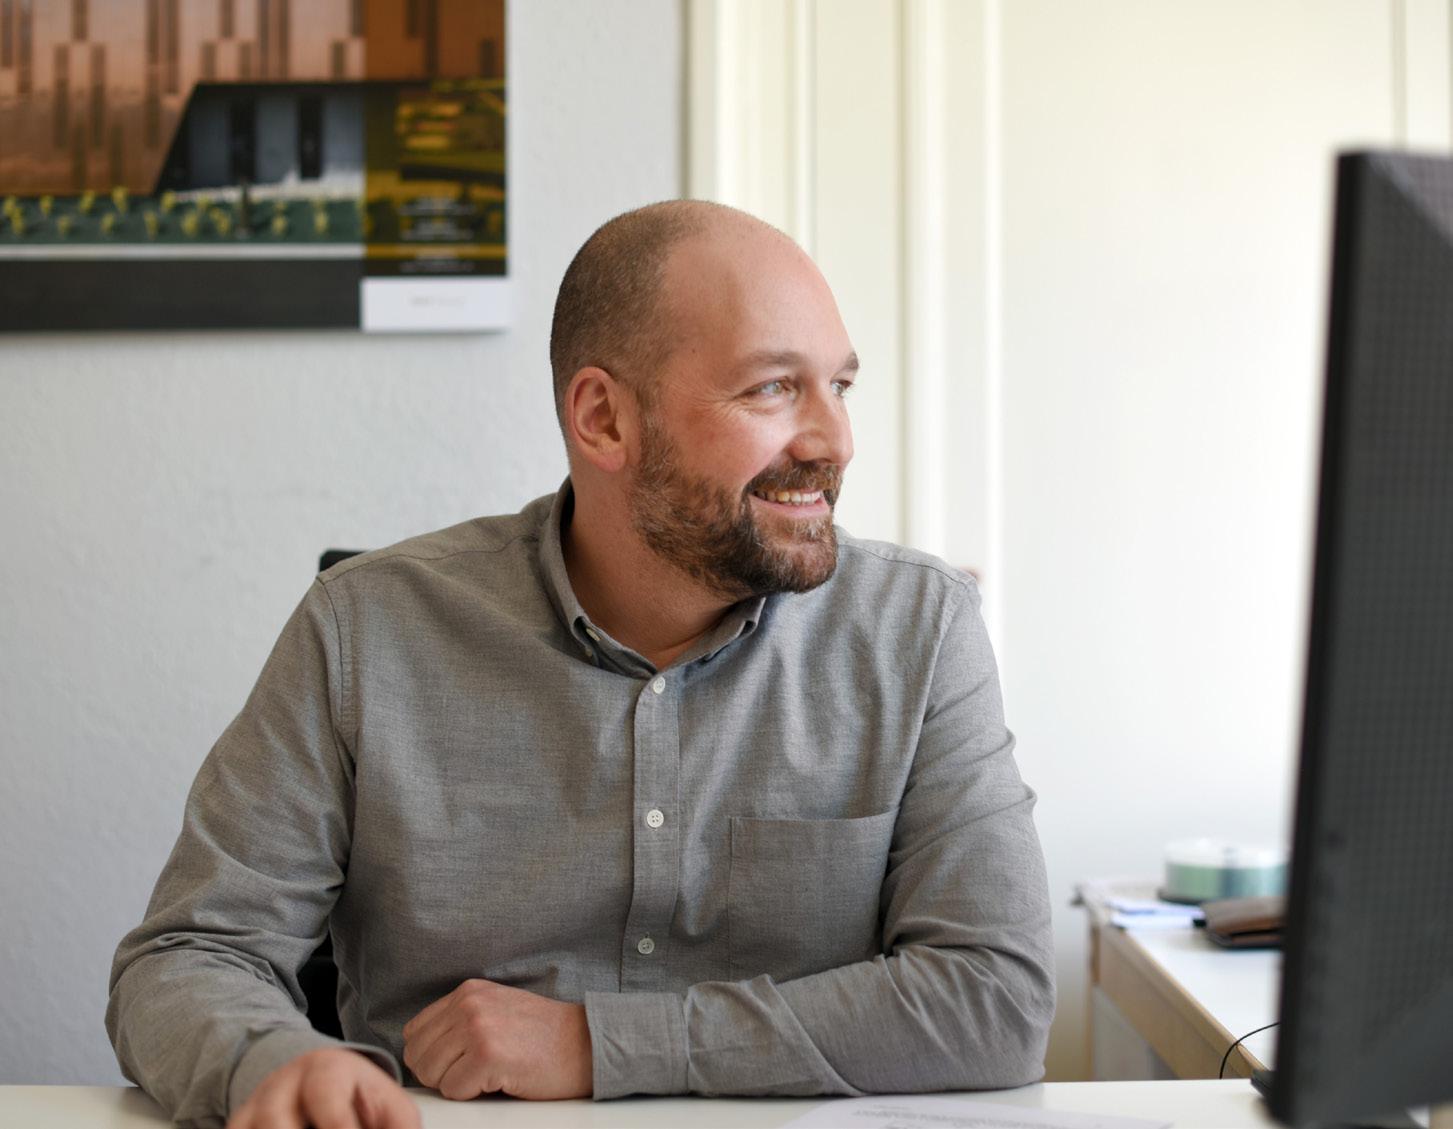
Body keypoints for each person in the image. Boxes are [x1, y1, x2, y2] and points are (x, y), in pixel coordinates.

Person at [107, 200, 1054, 1129]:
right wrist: (281, 1062)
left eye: (838, 385)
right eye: (772, 388)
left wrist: (598, 1045)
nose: (833, 441)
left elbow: (994, 996)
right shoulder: (365, 631)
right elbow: (188, 956)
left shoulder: (919, 630)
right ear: (603, 418)